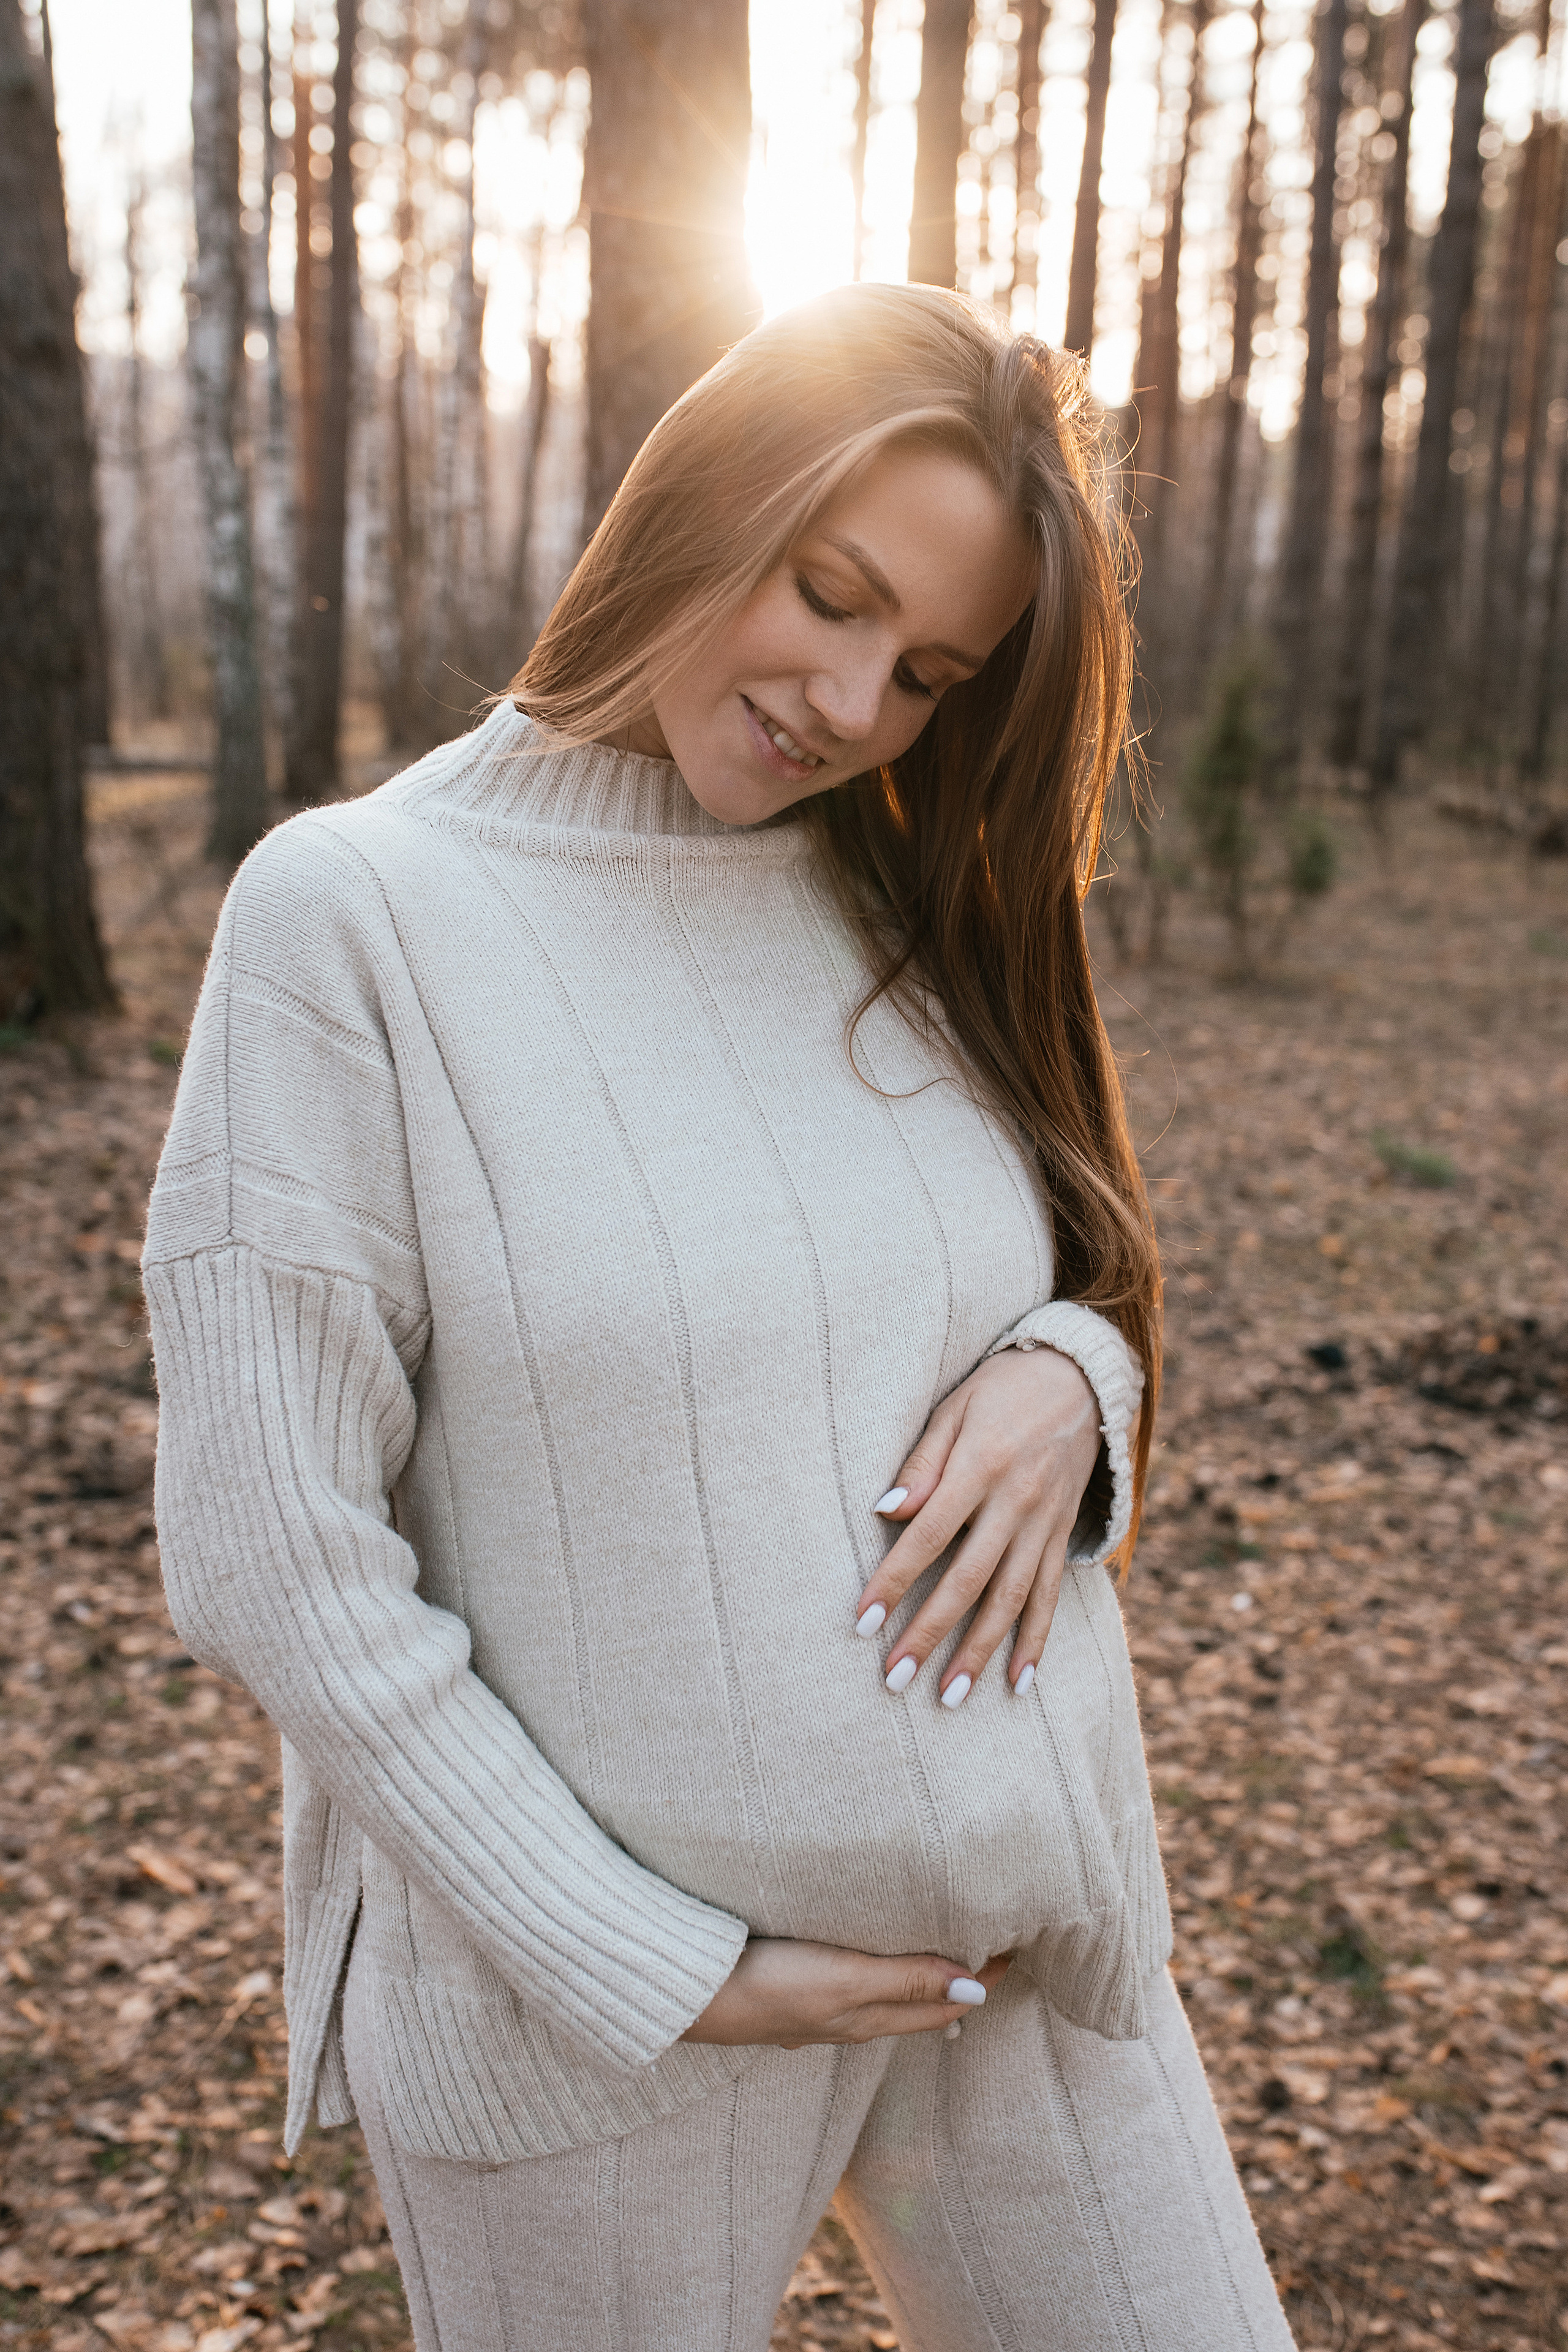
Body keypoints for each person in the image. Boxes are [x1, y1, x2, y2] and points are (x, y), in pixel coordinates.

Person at [145, 285, 1295, 2351]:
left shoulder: (893, 892)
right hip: (613, 2014)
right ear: (703, 498)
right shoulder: (357, 920)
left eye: (927, 670)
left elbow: (1063, 1250)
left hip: (1015, 1948)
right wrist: (649, 1956)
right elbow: (272, 1550)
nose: (854, 700)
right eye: (829, 595)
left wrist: (1074, 1375)